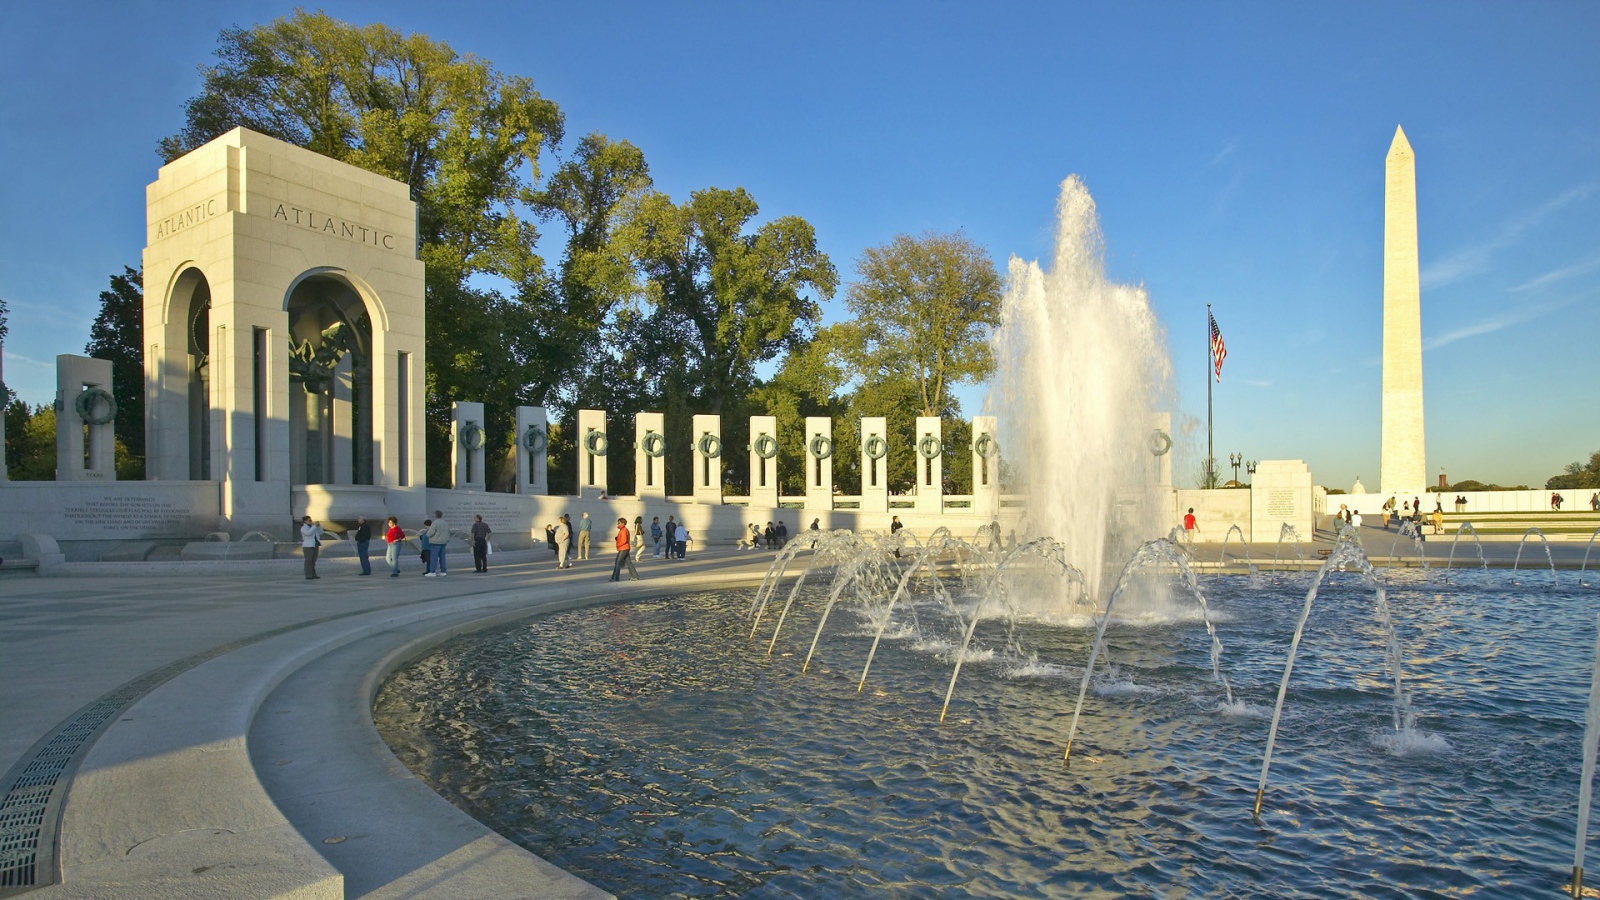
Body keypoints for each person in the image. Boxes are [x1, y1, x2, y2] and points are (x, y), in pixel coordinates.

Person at [609, 517, 640, 582]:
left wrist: (618, 544)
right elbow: (623, 539)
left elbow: (624, 540)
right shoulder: (623, 530)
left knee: (618, 562)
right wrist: (617, 539)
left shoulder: (623, 530)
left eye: (619, 523)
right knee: (628, 562)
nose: (618, 524)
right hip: (625, 548)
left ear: (623, 523)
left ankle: (615, 578)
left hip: (623, 548)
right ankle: (635, 576)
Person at [426, 510, 450, 576]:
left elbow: (430, 533)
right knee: (442, 557)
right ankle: (443, 571)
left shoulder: (435, 523)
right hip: (443, 542)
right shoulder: (445, 523)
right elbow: (448, 532)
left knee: (434, 557)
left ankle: (432, 571)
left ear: (435, 515)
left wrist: (427, 535)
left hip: (435, 542)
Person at [300, 515, 323, 580]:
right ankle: (308, 575)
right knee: (308, 561)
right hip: (308, 546)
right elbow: (308, 533)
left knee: (313, 561)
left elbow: (321, 533)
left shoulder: (313, 527)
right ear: (305, 521)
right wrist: (314, 526)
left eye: (311, 520)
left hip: (315, 545)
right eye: (309, 520)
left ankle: (313, 574)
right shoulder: (303, 528)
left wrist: (319, 526)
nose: (311, 522)